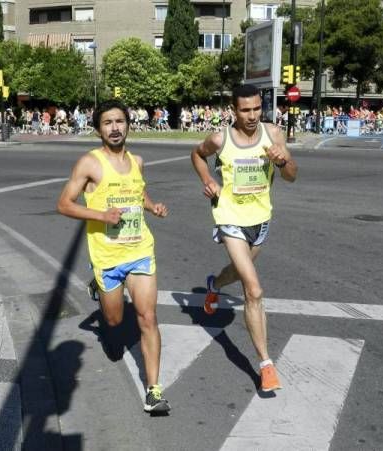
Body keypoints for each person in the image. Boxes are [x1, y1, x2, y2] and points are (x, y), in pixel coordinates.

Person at [57, 99, 170, 414]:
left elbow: (138, 192)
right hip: (107, 256)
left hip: (139, 249)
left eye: (119, 121)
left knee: (147, 317)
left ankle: (154, 390)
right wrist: (101, 215)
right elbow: (64, 204)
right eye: (107, 123)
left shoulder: (138, 161)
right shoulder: (89, 164)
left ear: (128, 125)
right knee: (114, 320)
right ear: (98, 129)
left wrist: (152, 206)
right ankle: (99, 288)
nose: (115, 128)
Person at [191, 84, 297, 393]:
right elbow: (197, 155)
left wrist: (282, 162)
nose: (251, 116)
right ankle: (266, 364)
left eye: (255, 109)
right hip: (229, 218)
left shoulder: (274, 134)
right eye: (244, 110)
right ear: (233, 111)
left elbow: (292, 176)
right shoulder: (220, 139)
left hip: (260, 219)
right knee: (253, 289)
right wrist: (208, 179)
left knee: (237, 273)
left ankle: (214, 285)